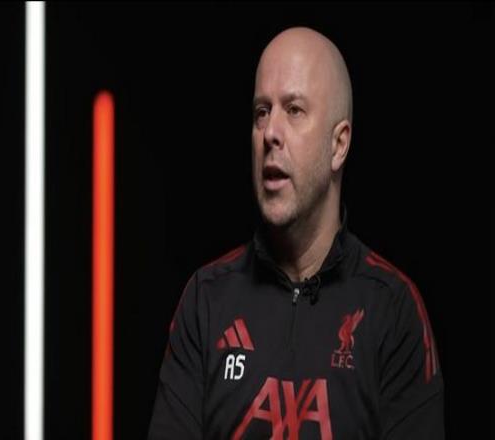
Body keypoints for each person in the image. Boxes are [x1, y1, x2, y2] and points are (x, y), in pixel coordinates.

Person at [147, 27, 444, 439]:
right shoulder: (206, 300)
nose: (270, 132)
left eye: (294, 110)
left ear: (338, 145)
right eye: (261, 112)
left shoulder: (392, 310)